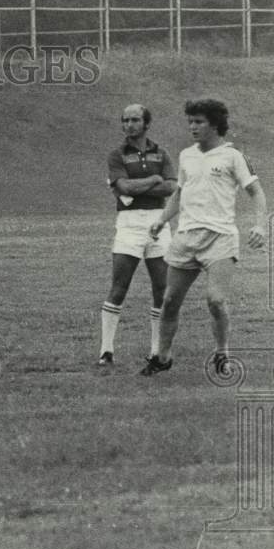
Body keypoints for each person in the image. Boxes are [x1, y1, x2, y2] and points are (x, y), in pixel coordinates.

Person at [140, 99, 266, 377]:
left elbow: (256, 192)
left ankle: (222, 354)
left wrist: (260, 225)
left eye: (199, 122)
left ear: (215, 124)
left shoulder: (233, 156)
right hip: (186, 238)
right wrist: (162, 220)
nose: (193, 127)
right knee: (170, 300)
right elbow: (180, 193)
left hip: (220, 239)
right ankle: (163, 357)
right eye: (190, 122)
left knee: (215, 300)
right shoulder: (187, 155)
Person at [99, 103, 178, 367]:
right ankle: (106, 350)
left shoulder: (161, 153)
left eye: (134, 120)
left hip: (159, 221)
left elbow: (171, 188)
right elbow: (124, 186)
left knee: (162, 288)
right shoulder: (117, 154)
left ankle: (156, 351)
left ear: (146, 124)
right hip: (129, 224)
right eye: (125, 120)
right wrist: (154, 180)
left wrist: (142, 187)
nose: (129, 124)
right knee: (119, 286)